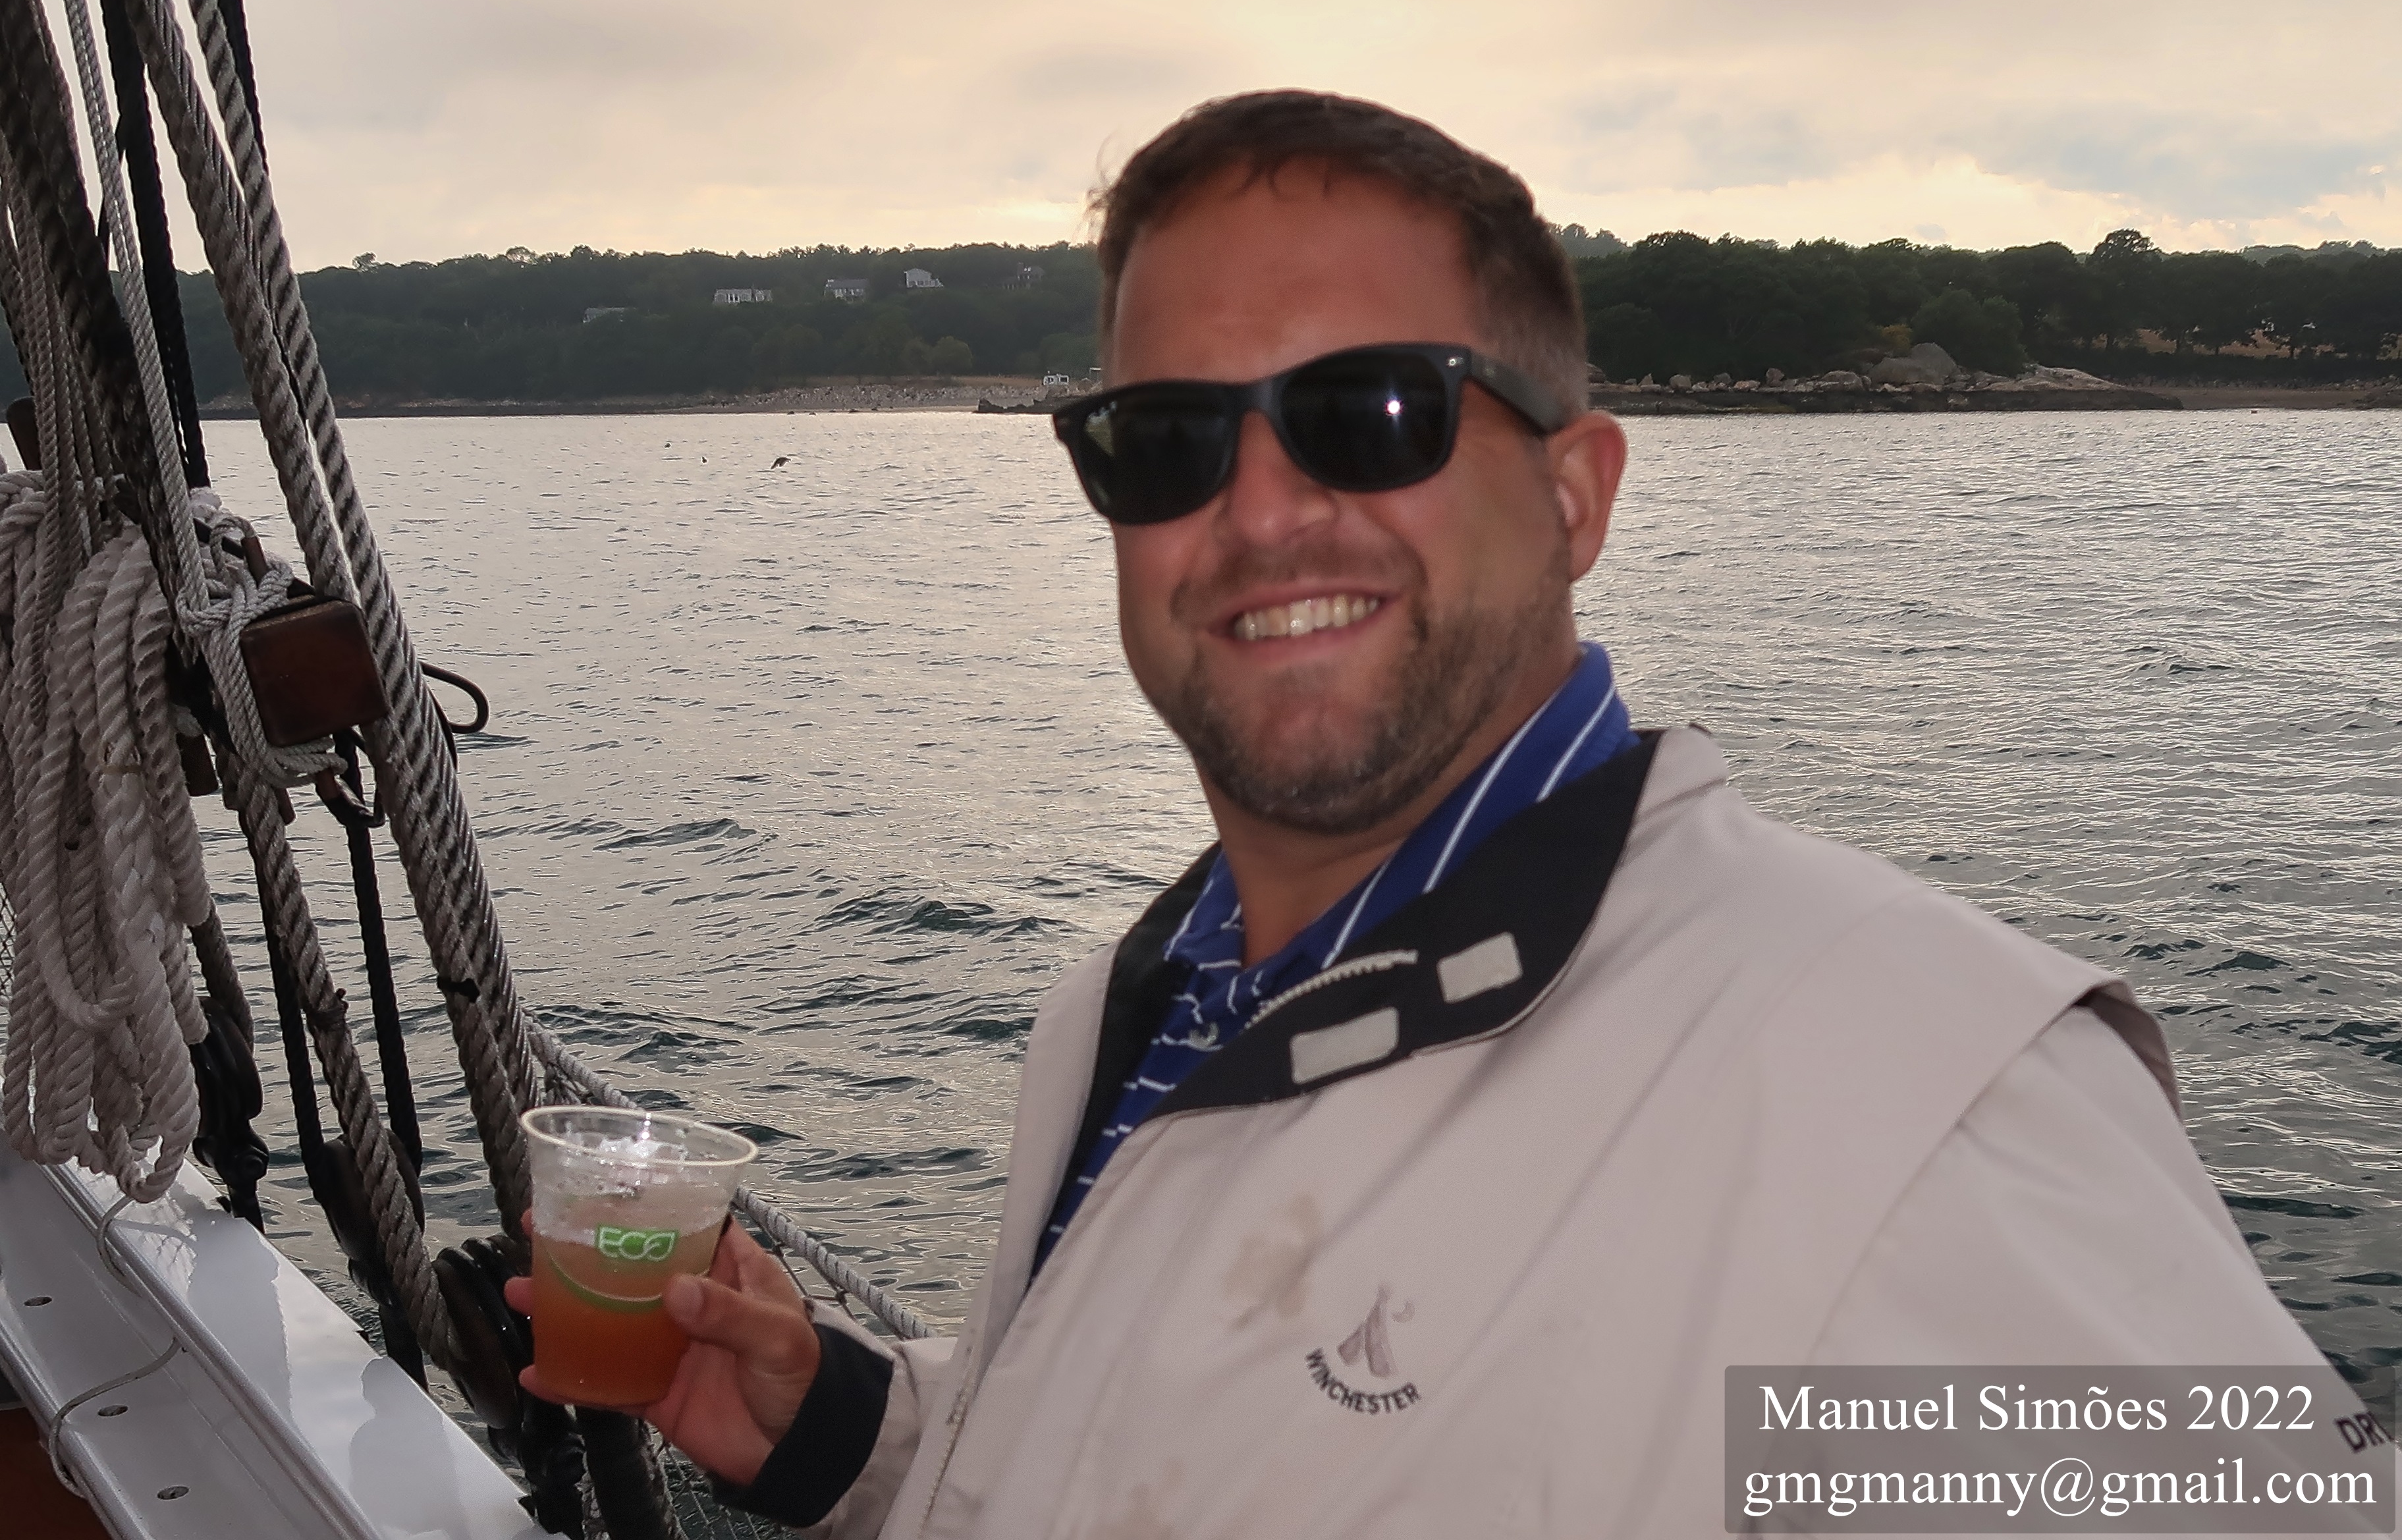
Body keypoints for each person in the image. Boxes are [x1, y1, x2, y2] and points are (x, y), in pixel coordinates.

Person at [512, 92, 2370, 1536]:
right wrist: (847, 1430)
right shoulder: (1145, 1004)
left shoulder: (1903, 1110)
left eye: (1372, 411)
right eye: (1169, 439)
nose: (1259, 512)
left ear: (1576, 495)